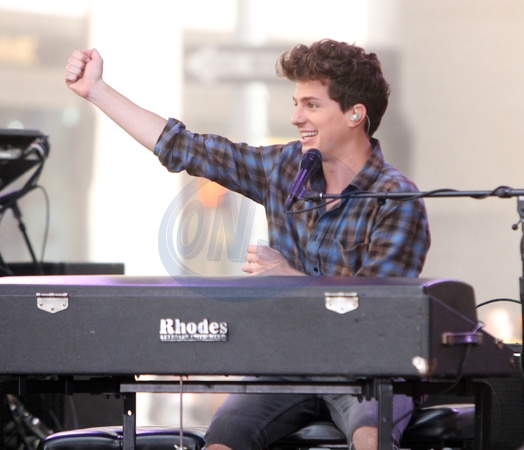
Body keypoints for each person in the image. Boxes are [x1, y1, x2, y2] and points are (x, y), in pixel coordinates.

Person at [65, 39, 430, 449]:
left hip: (370, 369)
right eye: (296, 103)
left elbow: (375, 317)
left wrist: (292, 280)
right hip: (288, 365)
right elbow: (185, 147)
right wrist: (97, 90)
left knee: (371, 438)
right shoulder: (286, 168)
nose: (295, 117)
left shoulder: (397, 199)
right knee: (221, 441)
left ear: (354, 114)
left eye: (311, 105)